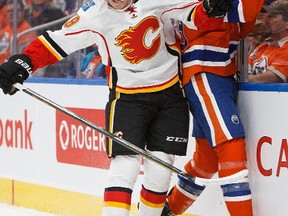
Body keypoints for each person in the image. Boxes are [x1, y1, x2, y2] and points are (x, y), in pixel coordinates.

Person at [0, 0, 231, 215]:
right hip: (127, 98)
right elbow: (56, 42)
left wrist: (211, 8)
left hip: (170, 95)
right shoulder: (96, 14)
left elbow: (196, 15)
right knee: (125, 166)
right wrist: (24, 63)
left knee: (160, 170)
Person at [161, 0, 264, 216]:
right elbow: (245, 11)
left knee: (206, 161)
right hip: (206, 71)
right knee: (231, 147)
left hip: (216, 72)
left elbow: (243, 25)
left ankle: (168, 209)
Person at [248, 0, 288, 83]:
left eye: (271, 17)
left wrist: (246, 78)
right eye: (266, 16)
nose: (265, 20)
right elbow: (242, 72)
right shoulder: (262, 46)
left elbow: (270, 79)